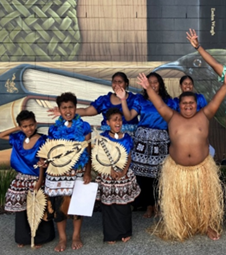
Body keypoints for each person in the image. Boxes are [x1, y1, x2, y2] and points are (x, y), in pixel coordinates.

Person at [137, 70, 226, 241]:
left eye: (191, 103)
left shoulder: (204, 115)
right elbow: (159, 104)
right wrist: (148, 89)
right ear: (179, 104)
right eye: (184, 103)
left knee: (205, 199)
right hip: (177, 169)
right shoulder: (171, 116)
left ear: (197, 104)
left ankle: (208, 225)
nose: (188, 106)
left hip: (202, 168)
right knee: (179, 200)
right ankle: (181, 225)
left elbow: (216, 101)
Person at [118, 72, 177, 218]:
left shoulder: (169, 101)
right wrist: (123, 100)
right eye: (149, 82)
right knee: (143, 176)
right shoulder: (140, 100)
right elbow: (128, 116)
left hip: (161, 139)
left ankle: (159, 204)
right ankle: (149, 206)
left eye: (155, 82)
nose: (152, 85)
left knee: (160, 174)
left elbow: (176, 120)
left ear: (160, 84)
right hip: (143, 140)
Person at [43, 92, 91, 251]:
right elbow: (50, 152)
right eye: (64, 108)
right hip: (58, 173)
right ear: (59, 109)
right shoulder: (53, 129)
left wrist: (87, 172)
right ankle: (63, 238)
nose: (68, 110)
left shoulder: (84, 127)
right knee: (58, 205)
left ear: (76, 108)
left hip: (77, 170)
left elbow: (88, 151)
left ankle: (76, 235)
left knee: (78, 203)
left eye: (71, 107)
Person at [1, 111, 55, 248]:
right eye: (25, 126)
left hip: (36, 178)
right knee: (22, 209)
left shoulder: (42, 139)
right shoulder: (18, 137)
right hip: (21, 178)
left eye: (31, 125)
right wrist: (17, 128)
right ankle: (23, 237)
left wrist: (39, 181)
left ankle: (40, 238)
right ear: (20, 127)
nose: (29, 128)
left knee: (37, 207)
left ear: (35, 123)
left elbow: (42, 162)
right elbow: (1, 135)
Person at [95, 108, 140, 244]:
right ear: (108, 122)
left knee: (123, 205)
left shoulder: (126, 138)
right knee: (108, 206)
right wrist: (109, 170)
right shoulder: (102, 138)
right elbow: (98, 156)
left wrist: (124, 171)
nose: (118, 122)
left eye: (120, 119)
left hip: (123, 175)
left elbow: (129, 156)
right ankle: (110, 234)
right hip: (107, 175)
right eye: (114, 120)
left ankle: (125, 232)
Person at [48, 72, 139, 135]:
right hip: (109, 136)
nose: (117, 85)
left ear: (126, 83)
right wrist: (66, 112)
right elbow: (87, 111)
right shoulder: (104, 100)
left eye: (120, 82)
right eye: (114, 82)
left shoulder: (134, 99)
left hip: (130, 137)